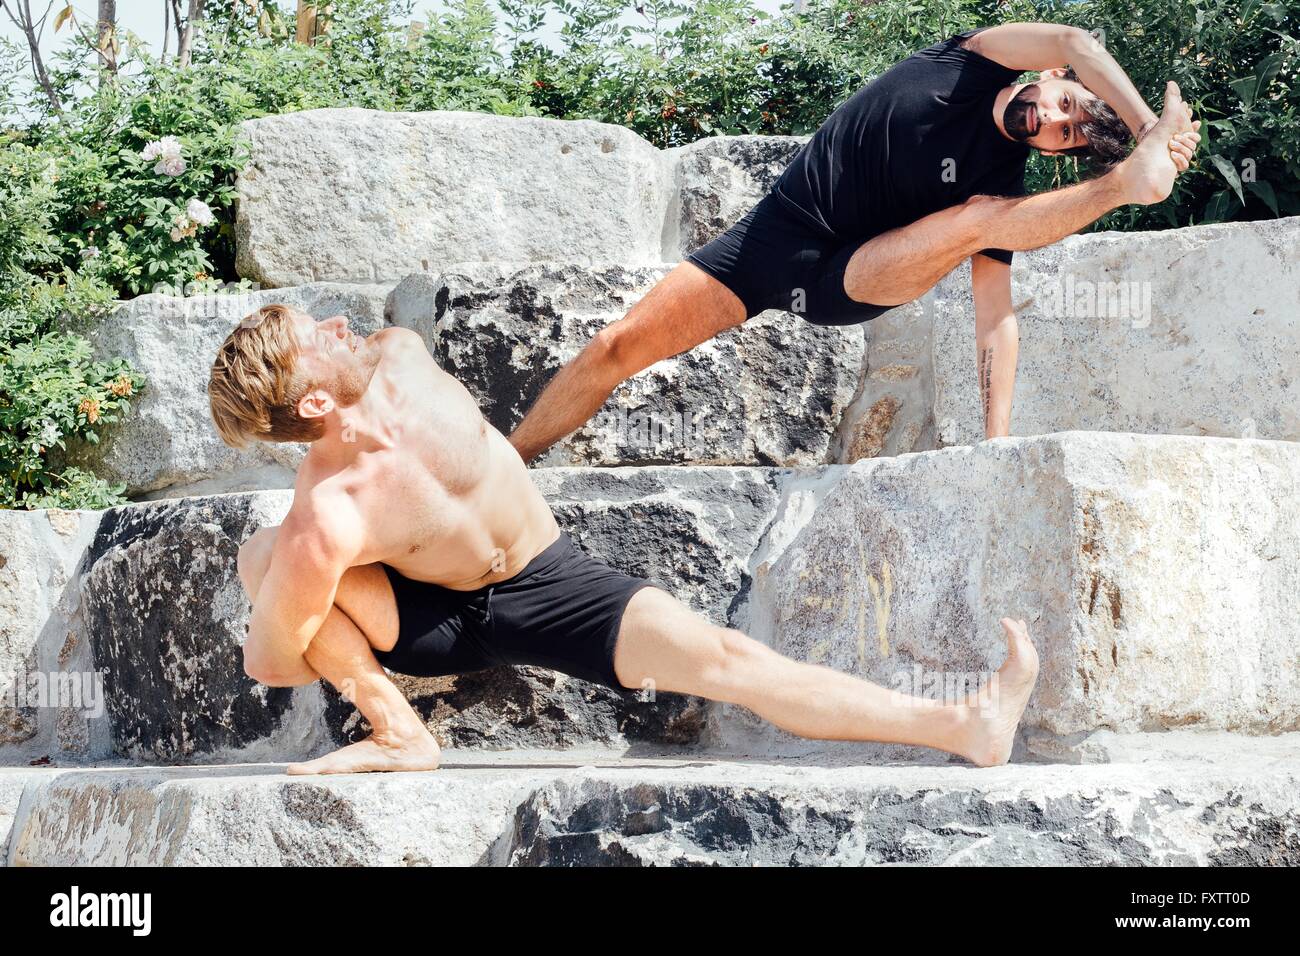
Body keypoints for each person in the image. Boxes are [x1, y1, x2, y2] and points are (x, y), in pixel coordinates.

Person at [208, 304, 1039, 774]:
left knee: (726, 661)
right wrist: (298, 583)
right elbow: (272, 661)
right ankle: (400, 736)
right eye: (315, 335)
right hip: (429, 621)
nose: (336, 320)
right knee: (264, 554)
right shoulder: (331, 512)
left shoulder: (401, 353)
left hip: (546, 579)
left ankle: (962, 724)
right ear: (312, 405)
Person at [506, 22, 1201, 459]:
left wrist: (996, 446)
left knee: (978, 217)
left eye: (1071, 134)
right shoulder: (970, 59)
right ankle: (512, 461)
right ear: (1051, 79)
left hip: (854, 279)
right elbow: (1078, 39)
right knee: (616, 345)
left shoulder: (1000, 183)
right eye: (1069, 105)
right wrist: (1150, 128)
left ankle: (1123, 186)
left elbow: (996, 316)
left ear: (1056, 153)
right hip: (775, 241)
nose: (1056, 121)